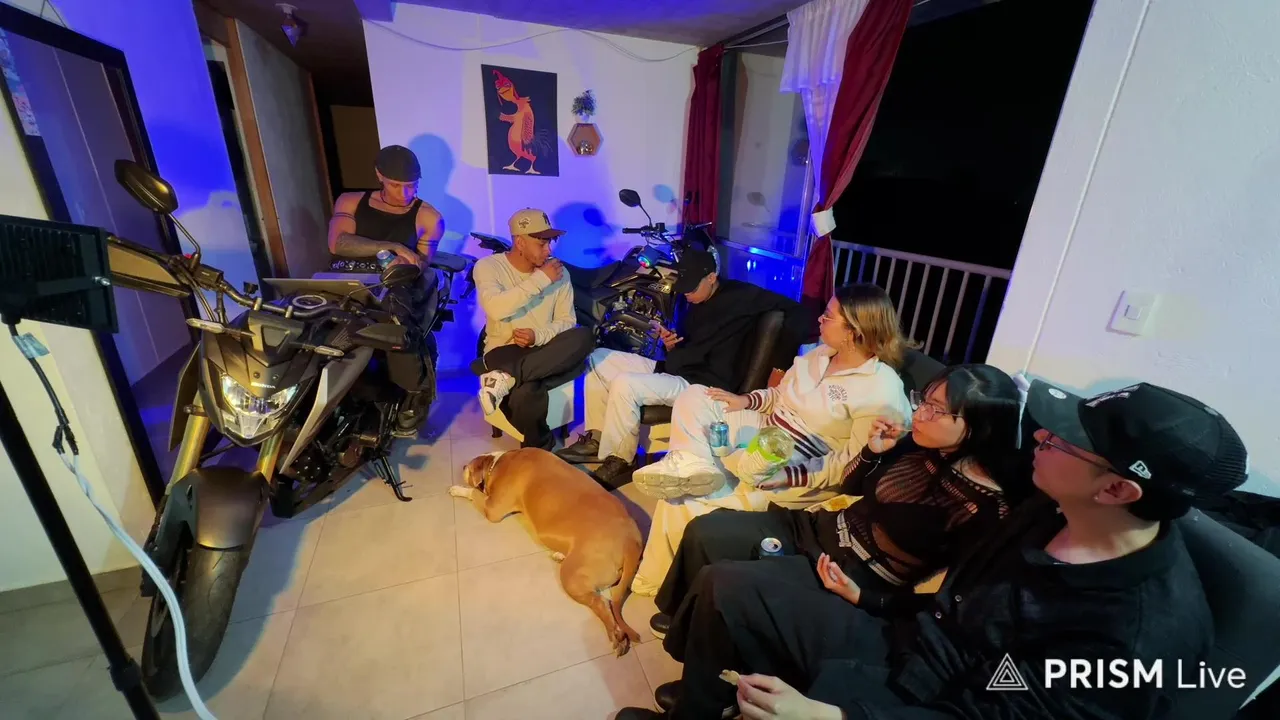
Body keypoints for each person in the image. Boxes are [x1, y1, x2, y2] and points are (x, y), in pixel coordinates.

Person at [616, 379, 1250, 720]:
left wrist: (837, 718)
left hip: (934, 698)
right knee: (728, 586)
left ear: (1116, 489)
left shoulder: (1137, 638)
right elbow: (955, 602)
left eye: (1062, 442)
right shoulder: (1047, 510)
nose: (1042, 439)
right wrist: (873, 601)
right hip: (907, 641)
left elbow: (993, 712)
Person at [646, 363, 1022, 652]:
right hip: (824, 530)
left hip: (854, 573)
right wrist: (872, 452)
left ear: (980, 425)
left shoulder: (987, 508)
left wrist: (866, 598)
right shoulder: (915, 445)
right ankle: (685, 620)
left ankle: (712, 689)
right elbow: (851, 486)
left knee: (724, 582)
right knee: (707, 529)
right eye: (923, 401)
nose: (920, 414)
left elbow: (950, 601)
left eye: (936, 410)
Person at [628, 284, 914, 592]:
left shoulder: (881, 390)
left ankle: (659, 580)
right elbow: (779, 396)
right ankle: (690, 465)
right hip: (765, 430)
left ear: (853, 331)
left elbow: (850, 465)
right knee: (696, 396)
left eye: (829, 316)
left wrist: (787, 475)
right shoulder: (820, 355)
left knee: (682, 501)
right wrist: (745, 401)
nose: (819, 319)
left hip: (796, 465)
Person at [556, 246, 810, 487]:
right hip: (678, 368)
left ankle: (621, 460)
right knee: (599, 358)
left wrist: (779, 367)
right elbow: (690, 346)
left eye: (692, 288)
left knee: (625, 385)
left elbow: (800, 314)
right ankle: (598, 438)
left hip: (703, 384)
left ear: (711, 277)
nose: (687, 294)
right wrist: (671, 344)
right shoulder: (693, 301)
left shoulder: (742, 296)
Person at [326, 144, 445, 436]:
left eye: (411, 186)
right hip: (343, 279)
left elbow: (421, 264)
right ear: (379, 175)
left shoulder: (428, 217)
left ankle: (413, 396)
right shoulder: (351, 201)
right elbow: (337, 243)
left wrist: (408, 262)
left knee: (397, 326)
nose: (404, 194)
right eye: (395, 185)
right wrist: (390, 245)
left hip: (394, 284)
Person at [473, 208, 593, 450]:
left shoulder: (559, 273)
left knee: (584, 336)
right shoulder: (488, 267)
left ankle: (505, 377)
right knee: (526, 393)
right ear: (520, 242)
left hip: (546, 352)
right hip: (505, 351)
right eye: (541, 243)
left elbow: (567, 320)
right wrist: (541, 280)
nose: (549, 250)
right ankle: (540, 449)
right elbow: (496, 308)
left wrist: (537, 336)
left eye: (550, 243)